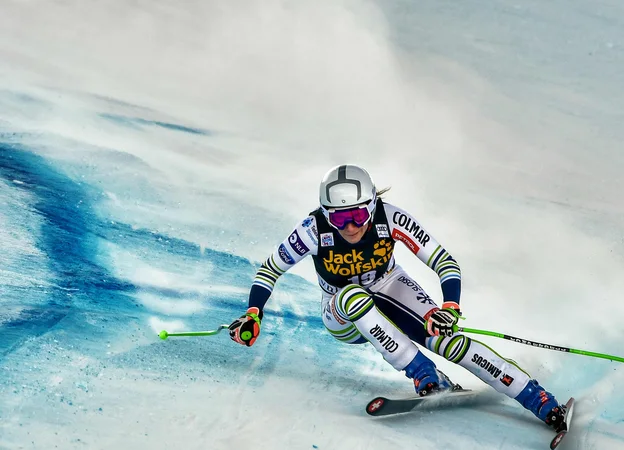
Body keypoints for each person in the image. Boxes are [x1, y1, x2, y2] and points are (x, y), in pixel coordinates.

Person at [228, 164, 567, 430]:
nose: (348, 227)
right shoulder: (312, 230)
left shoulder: (391, 218)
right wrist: (253, 313)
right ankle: (423, 373)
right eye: (339, 218)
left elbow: (444, 262)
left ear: (372, 205)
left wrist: (448, 307)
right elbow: (269, 270)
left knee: (450, 342)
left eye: (357, 215)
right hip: (341, 313)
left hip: (390, 286)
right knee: (352, 295)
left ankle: (540, 401)